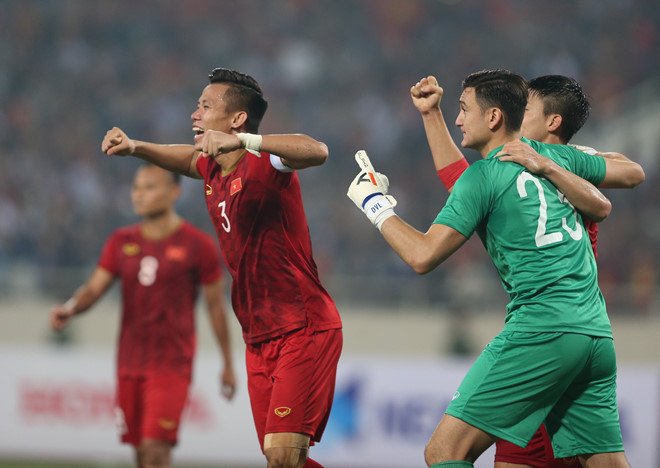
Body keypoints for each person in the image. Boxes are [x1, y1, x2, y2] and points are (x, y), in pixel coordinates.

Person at [347, 69, 644, 468]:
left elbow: (423, 256)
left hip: (542, 332)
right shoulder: (561, 158)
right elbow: (623, 180)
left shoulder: (492, 174)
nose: (459, 119)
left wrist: (375, 205)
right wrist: (431, 114)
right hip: (593, 333)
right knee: (604, 462)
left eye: (463, 109)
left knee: (445, 452)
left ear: (493, 118)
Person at [101, 67, 343, 468]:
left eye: (205, 106)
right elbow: (185, 158)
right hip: (258, 334)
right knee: (282, 460)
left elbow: (317, 150)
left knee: (283, 455)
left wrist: (244, 142)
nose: (194, 114)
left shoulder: (266, 162)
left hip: (303, 327)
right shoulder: (213, 167)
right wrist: (135, 147)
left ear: (236, 119)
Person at [50, 164, 237, 468]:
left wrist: (227, 362)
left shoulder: (198, 245)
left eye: (149, 187)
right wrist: (70, 308)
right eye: (136, 187)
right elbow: (94, 288)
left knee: (155, 450)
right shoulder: (121, 241)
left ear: (174, 192)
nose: (139, 194)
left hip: (171, 364)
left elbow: (215, 306)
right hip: (129, 362)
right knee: (140, 454)